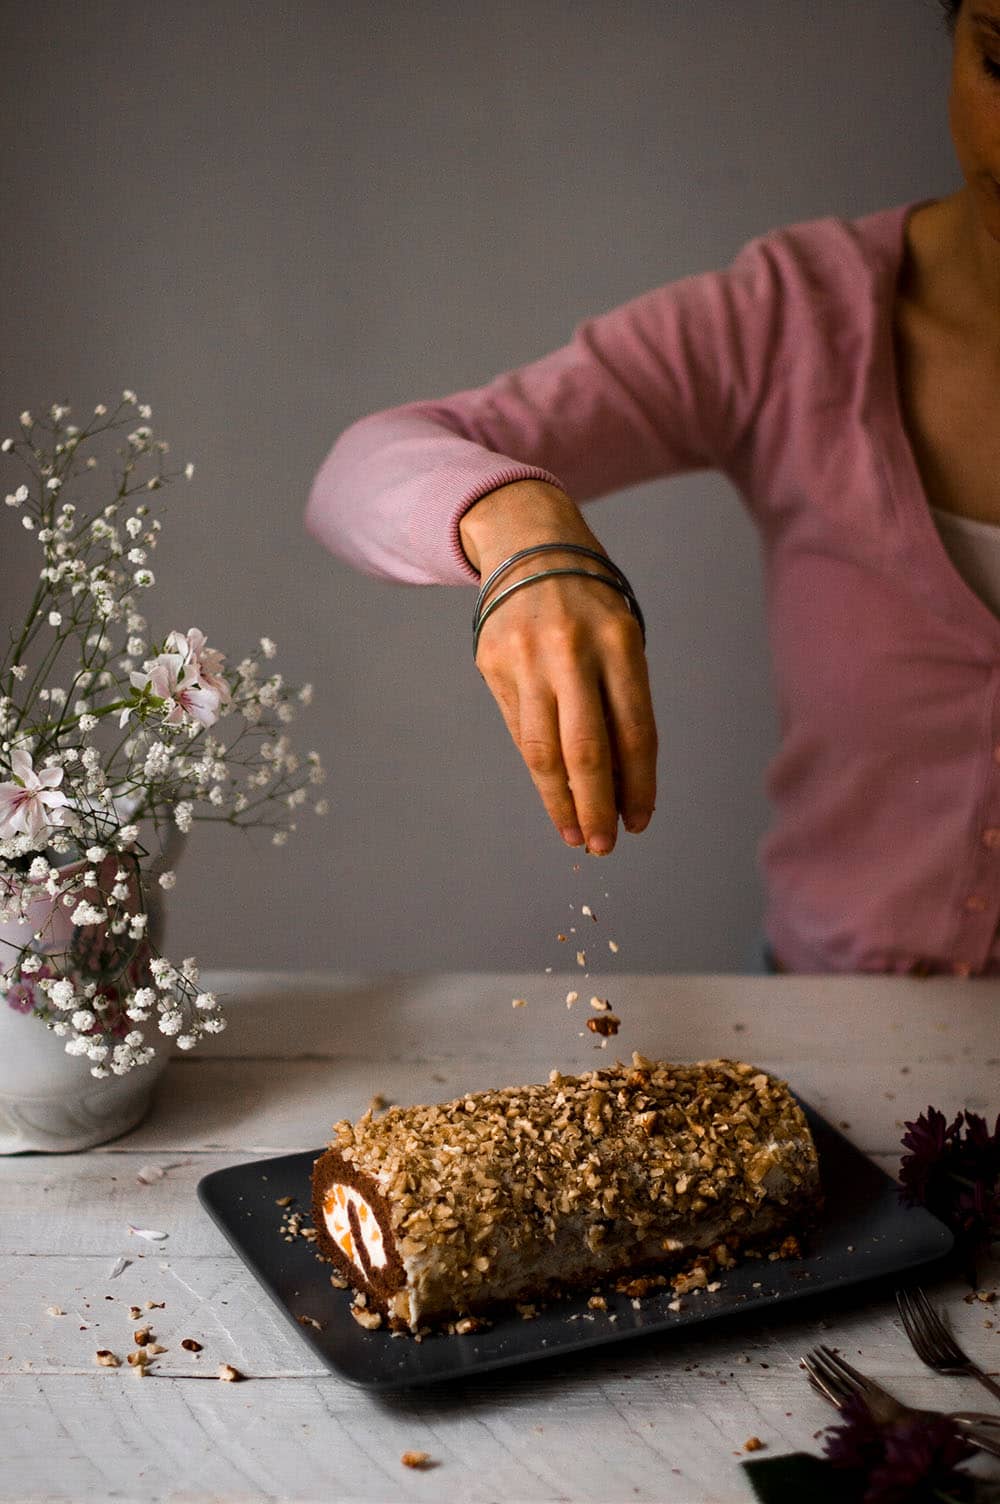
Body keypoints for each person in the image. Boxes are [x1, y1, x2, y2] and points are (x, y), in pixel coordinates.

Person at [305, 0, 1000, 978]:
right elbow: (357, 471)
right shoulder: (793, 323)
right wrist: (526, 532)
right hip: (828, 1023)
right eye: (998, 61)